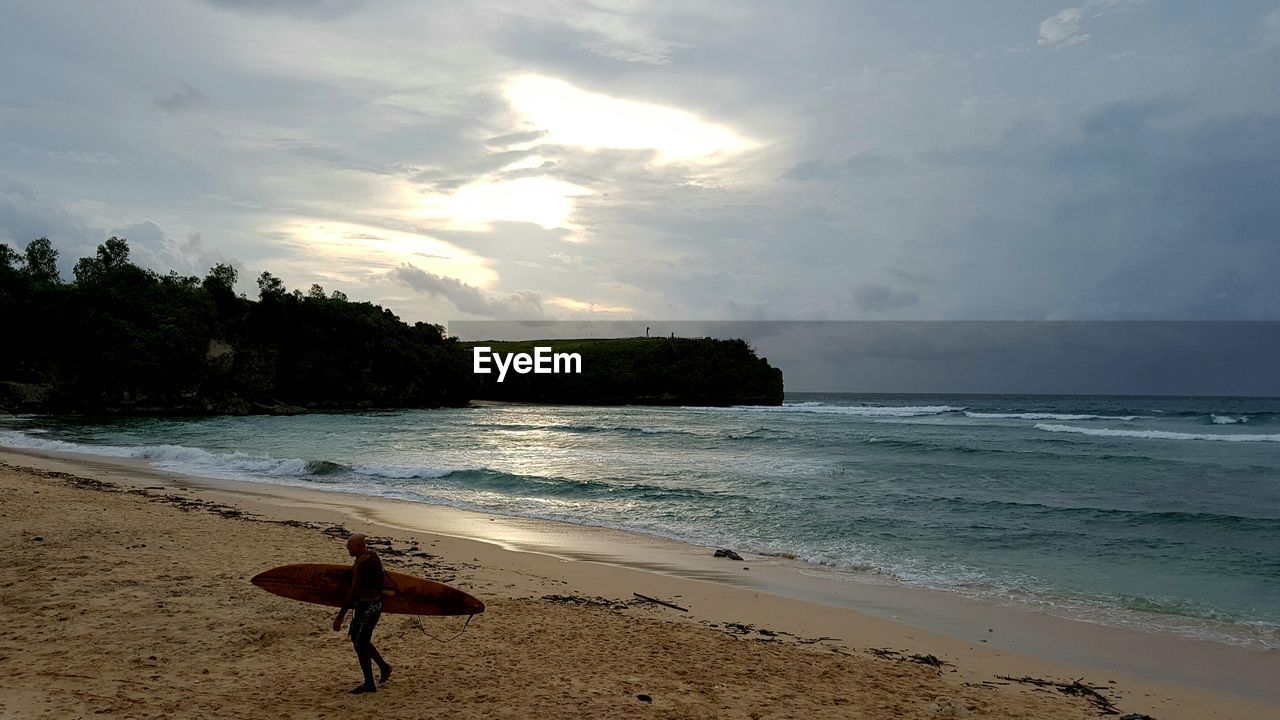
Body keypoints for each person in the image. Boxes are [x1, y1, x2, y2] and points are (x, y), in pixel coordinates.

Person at [332, 533, 392, 694]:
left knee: (360, 643)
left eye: (350, 545)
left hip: (369, 608)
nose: (347, 547)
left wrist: (340, 616)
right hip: (371, 605)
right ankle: (384, 667)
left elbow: (353, 591)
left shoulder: (361, 563)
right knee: (358, 639)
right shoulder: (372, 555)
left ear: (359, 546)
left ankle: (369, 684)